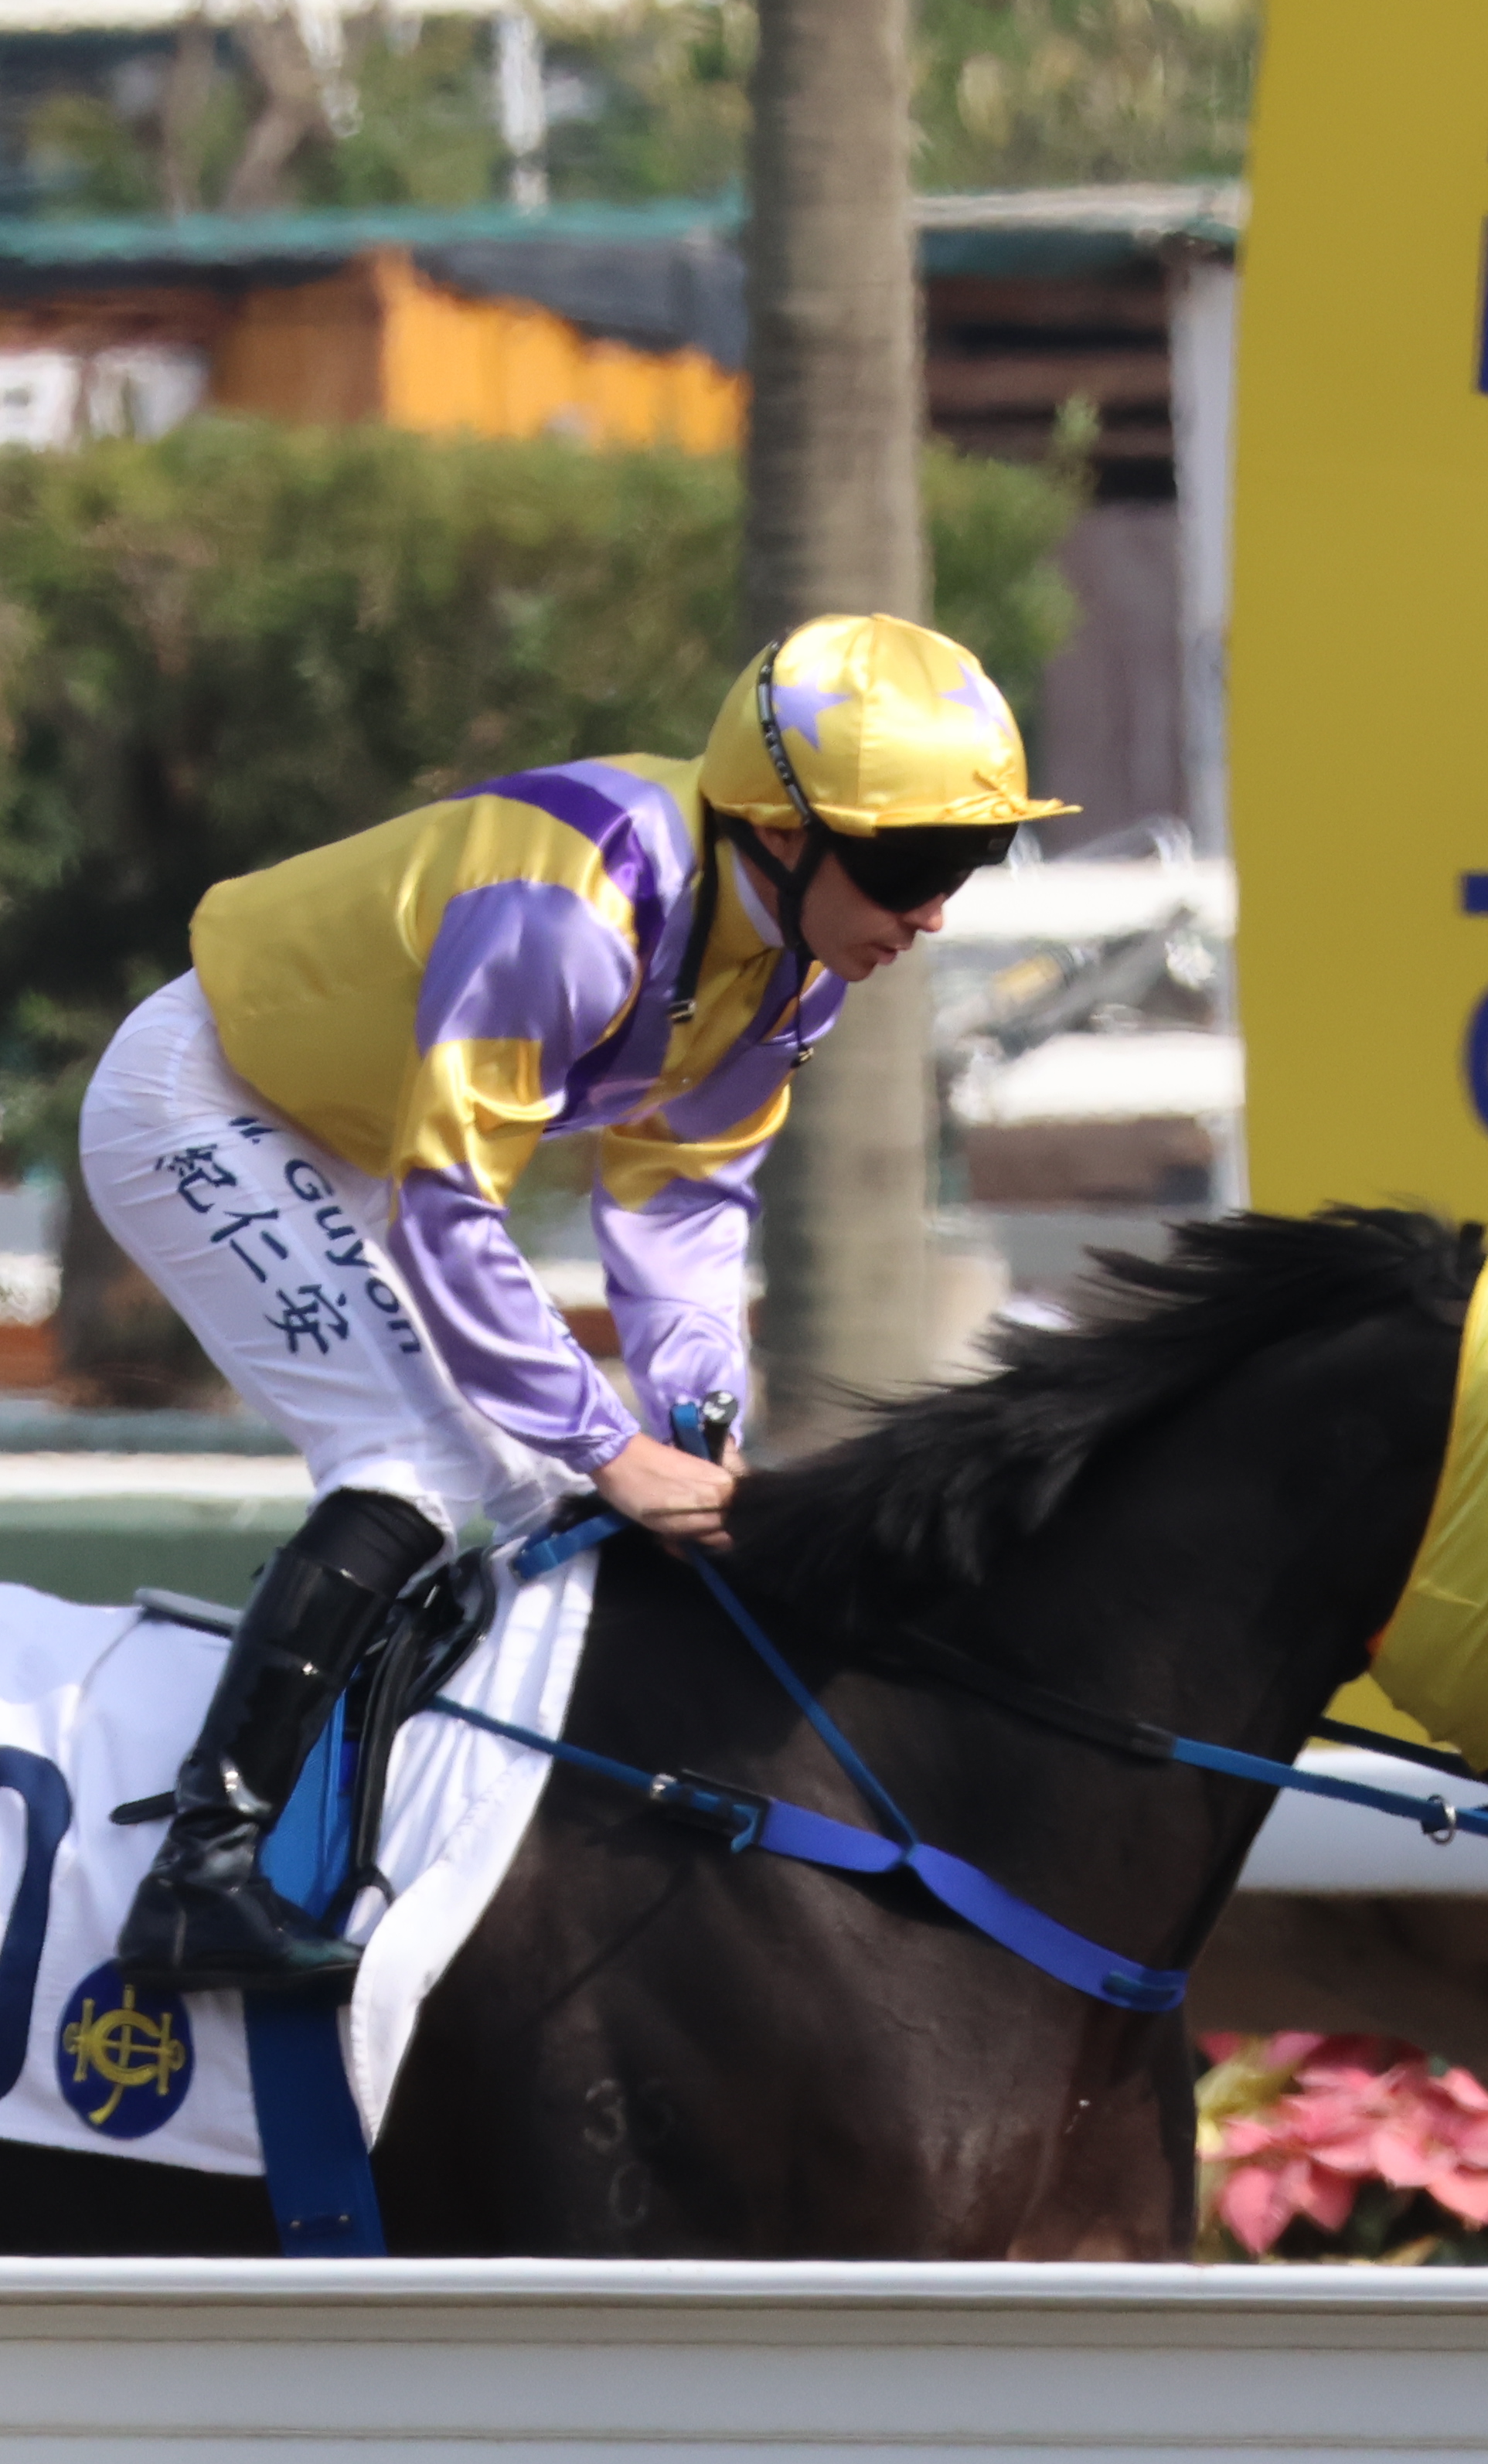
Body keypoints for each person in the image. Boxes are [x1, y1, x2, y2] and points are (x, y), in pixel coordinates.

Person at [74, 612, 1074, 1993]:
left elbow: (678, 1210)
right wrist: (611, 1447)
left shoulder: (795, 974)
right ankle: (205, 1864)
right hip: (208, 1097)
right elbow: (449, 1208)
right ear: (780, 834)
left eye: (973, 860)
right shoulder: (572, 910)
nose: (935, 912)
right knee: (425, 1463)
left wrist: (697, 1429)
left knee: (548, 1493)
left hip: (359, 1138)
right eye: (912, 864)